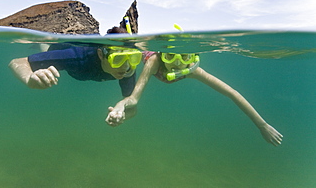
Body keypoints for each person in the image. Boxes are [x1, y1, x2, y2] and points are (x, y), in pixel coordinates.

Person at [106, 51, 283, 146]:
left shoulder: (194, 70)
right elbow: (134, 99)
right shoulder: (154, 62)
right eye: (170, 56)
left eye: (183, 57)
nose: (176, 64)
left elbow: (232, 93)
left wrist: (262, 125)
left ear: (192, 58)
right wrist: (121, 105)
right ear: (162, 55)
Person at [8, 27, 142, 97]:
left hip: (82, 71)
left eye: (132, 58)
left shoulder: (129, 69)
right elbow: (17, 62)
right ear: (101, 54)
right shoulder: (76, 57)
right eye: (117, 59)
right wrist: (29, 80)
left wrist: (123, 108)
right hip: (62, 47)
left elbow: (129, 99)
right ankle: (42, 42)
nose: (126, 67)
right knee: (47, 47)